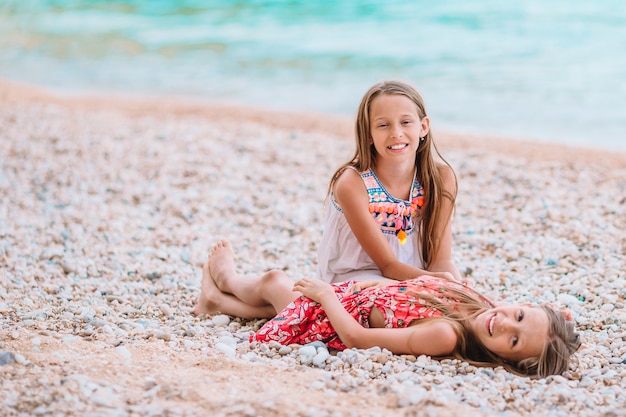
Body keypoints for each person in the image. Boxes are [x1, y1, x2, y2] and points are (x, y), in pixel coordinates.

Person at [195, 240, 581, 378]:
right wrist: (559, 324)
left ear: (505, 359)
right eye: (518, 316)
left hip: (331, 322)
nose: (504, 324)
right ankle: (217, 302)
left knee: (275, 283)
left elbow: (357, 337)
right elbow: (409, 289)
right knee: (276, 298)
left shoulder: (445, 335)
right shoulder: (478, 305)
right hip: (354, 297)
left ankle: (226, 284)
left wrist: (328, 296)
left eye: (514, 341)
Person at [317, 80, 462, 284]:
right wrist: (435, 282)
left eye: (406, 122)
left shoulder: (441, 179)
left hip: (414, 279)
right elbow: (388, 266)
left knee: (457, 306)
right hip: (354, 279)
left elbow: (441, 262)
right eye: (383, 125)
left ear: (423, 127)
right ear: (368, 134)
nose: (396, 133)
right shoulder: (352, 183)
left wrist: (457, 289)